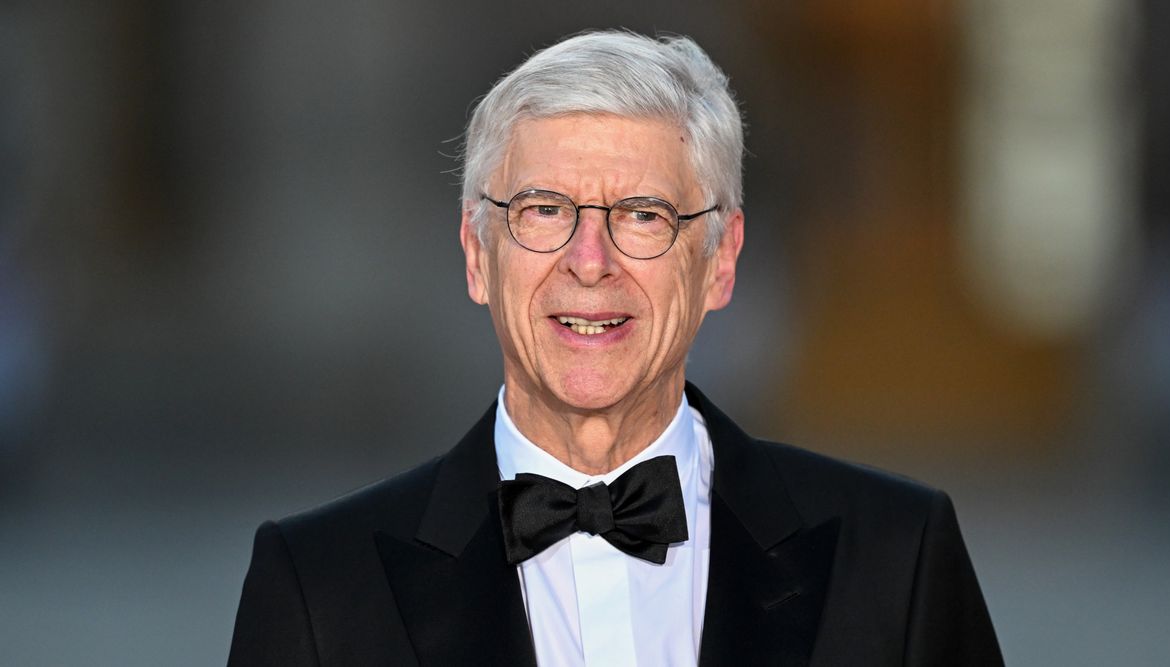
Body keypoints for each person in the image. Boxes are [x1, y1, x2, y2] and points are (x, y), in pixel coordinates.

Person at [227, 30, 1004, 666]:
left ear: (720, 260)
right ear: (476, 252)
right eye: (543, 209)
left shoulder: (897, 559)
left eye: (642, 215)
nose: (590, 261)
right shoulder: (320, 588)